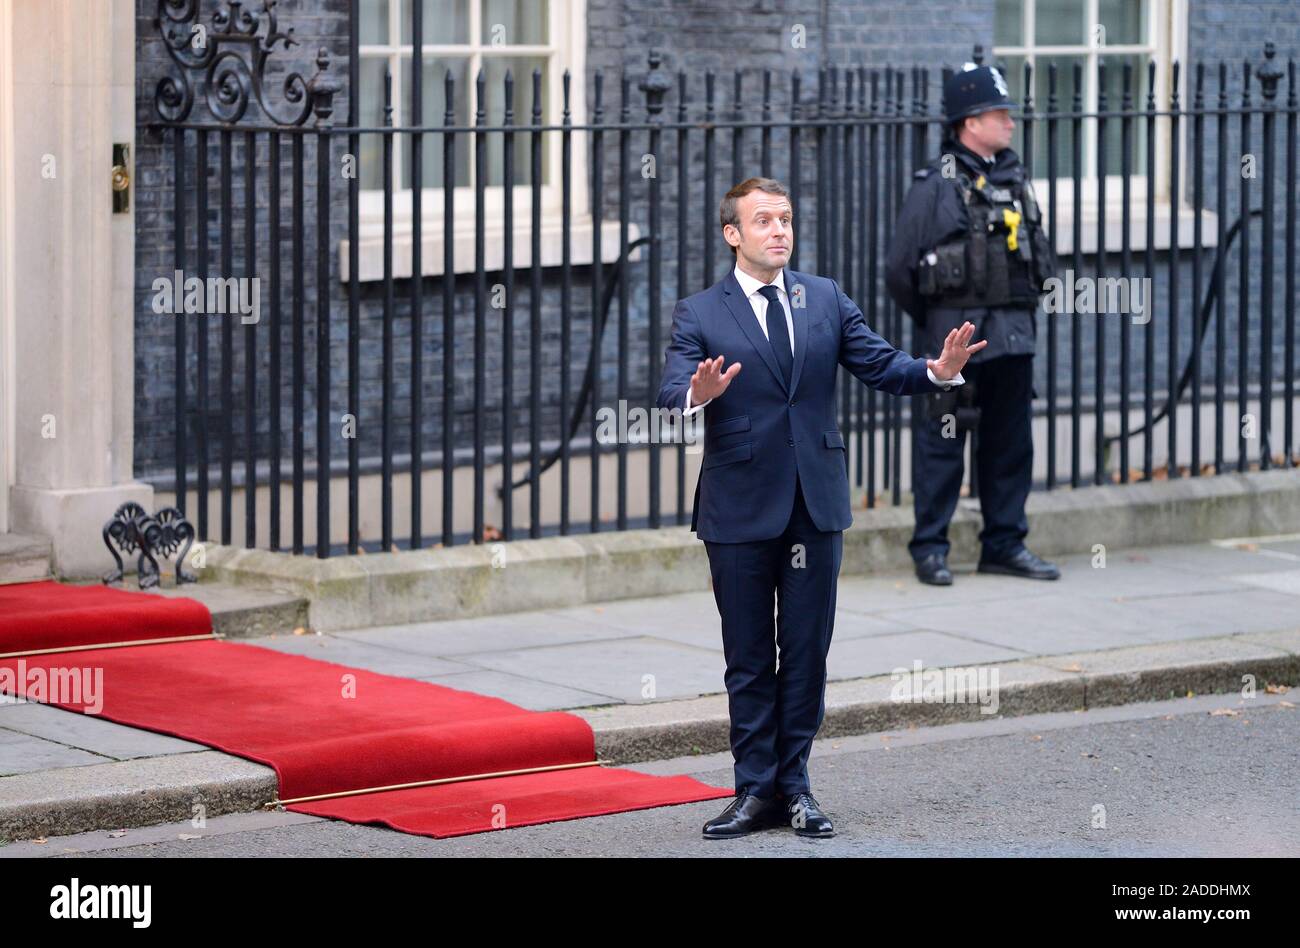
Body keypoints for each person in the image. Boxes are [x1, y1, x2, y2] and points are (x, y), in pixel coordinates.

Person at [656, 176, 984, 839]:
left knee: (806, 652)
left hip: (815, 502)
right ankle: (754, 791)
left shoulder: (825, 297)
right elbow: (670, 394)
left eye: (785, 219)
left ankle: (796, 787)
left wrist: (936, 371)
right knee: (749, 656)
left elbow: (880, 365)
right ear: (733, 235)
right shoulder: (700, 312)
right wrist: (697, 392)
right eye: (764, 220)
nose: (779, 230)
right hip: (740, 506)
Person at [885, 62, 1061, 587]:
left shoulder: (1015, 179)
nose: (1009, 123)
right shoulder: (934, 185)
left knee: (1010, 445)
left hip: (1012, 338)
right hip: (956, 342)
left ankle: (1004, 544)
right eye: (998, 113)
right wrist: (937, 324)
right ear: (969, 121)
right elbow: (899, 268)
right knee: (943, 442)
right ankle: (931, 548)